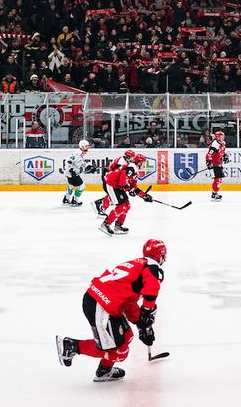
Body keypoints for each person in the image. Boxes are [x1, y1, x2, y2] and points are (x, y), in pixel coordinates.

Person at [56, 239, 166, 382]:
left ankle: (104, 371)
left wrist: (141, 323)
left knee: (127, 336)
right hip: (100, 305)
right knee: (119, 351)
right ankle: (72, 346)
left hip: (101, 301)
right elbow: (151, 291)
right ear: (160, 255)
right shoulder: (152, 268)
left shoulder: (138, 264)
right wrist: (146, 312)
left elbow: (129, 301)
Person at [98, 153, 152, 236]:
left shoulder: (134, 170)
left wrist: (143, 195)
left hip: (116, 185)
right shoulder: (131, 168)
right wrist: (130, 190)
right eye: (144, 163)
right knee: (123, 205)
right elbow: (122, 182)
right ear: (139, 162)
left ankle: (118, 226)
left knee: (127, 205)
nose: (145, 165)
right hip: (111, 184)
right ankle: (106, 224)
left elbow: (133, 186)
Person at [95, 149, 136, 216]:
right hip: (108, 177)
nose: (133, 159)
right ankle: (101, 205)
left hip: (109, 176)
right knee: (115, 194)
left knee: (115, 194)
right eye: (132, 157)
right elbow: (117, 173)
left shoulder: (124, 160)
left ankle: (101, 203)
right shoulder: (122, 161)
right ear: (128, 157)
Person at [63, 139, 94, 207]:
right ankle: (75, 201)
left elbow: (80, 162)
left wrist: (88, 166)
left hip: (70, 173)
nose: (88, 147)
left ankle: (66, 199)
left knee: (71, 186)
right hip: (71, 172)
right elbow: (68, 161)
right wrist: (71, 170)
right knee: (82, 186)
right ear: (82, 146)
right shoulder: (77, 153)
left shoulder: (81, 153)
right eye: (86, 146)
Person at [207, 129, 228, 201]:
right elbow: (209, 154)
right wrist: (209, 162)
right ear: (217, 137)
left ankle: (214, 193)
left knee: (219, 179)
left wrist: (225, 156)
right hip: (214, 164)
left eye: (223, 136)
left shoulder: (223, 143)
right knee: (218, 179)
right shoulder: (215, 145)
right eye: (221, 137)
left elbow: (223, 151)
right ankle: (214, 193)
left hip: (219, 163)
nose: (223, 138)